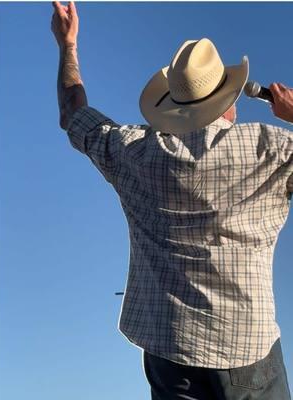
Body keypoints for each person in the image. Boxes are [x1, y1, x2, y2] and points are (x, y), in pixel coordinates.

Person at [51, 2, 292, 399]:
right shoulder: (273, 149)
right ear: (229, 98)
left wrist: (68, 46)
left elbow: (72, 113)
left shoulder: (134, 152)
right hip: (248, 350)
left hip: (171, 352)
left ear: (176, 105)